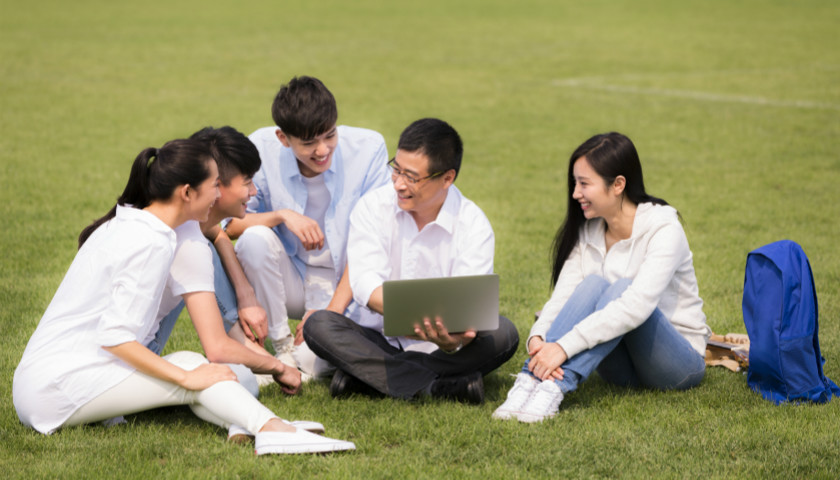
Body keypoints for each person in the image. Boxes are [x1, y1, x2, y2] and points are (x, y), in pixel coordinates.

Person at [12, 139, 355, 455]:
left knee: (203, 371)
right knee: (192, 367)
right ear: (187, 192)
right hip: (56, 390)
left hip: (50, 380)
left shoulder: (138, 222)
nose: (218, 194)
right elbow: (114, 337)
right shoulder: (152, 242)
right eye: (214, 186)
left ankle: (258, 424)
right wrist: (186, 377)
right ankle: (272, 429)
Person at [492, 132, 711, 423]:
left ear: (618, 184)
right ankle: (529, 381)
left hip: (677, 363)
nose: (575, 194)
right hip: (621, 368)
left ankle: (554, 385)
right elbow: (564, 295)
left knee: (622, 289)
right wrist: (540, 338)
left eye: (584, 183)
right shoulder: (589, 230)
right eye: (575, 183)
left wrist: (562, 348)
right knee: (592, 285)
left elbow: (635, 306)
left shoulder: (663, 228)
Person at [303, 118, 519, 404]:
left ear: (447, 178)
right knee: (320, 325)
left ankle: (368, 378)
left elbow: (469, 306)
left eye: (412, 177)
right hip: (376, 337)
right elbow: (365, 282)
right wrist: (415, 321)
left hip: (444, 345)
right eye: (396, 170)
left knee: (504, 333)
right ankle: (437, 386)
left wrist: (456, 341)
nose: (399, 184)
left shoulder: (473, 224)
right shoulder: (373, 207)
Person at [225, 76, 390, 379]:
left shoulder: (369, 149)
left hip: (348, 283)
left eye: (330, 135)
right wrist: (281, 215)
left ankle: (310, 352)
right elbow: (229, 224)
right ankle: (281, 347)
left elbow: (372, 243)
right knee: (254, 239)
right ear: (283, 138)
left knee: (319, 363)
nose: (323, 150)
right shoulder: (259, 148)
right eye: (309, 143)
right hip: (292, 278)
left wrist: (329, 314)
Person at [146, 126, 303, 399]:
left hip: (116, 356)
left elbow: (216, 232)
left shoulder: (172, 217)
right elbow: (216, 347)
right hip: (136, 361)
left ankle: (250, 353)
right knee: (237, 380)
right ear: (216, 184)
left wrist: (246, 294)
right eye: (247, 182)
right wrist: (277, 367)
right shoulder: (184, 240)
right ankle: (252, 360)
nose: (253, 191)